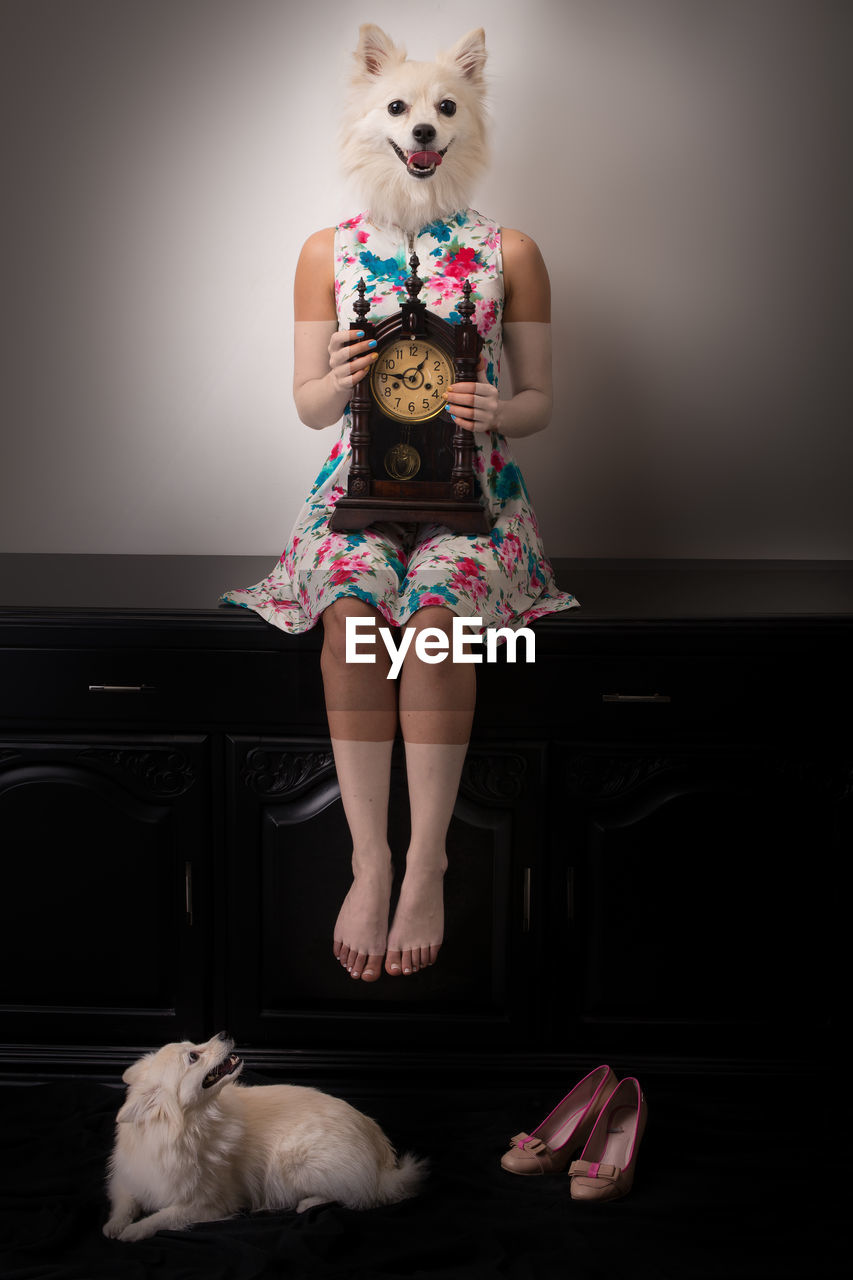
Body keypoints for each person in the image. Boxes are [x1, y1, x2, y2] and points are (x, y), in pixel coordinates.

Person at [222, 27, 578, 984]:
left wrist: (502, 407)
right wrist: (334, 381)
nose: (422, 124)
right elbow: (306, 409)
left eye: (442, 109)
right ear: (369, 118)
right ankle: (367, 859)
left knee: (433, 621)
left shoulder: (513, 251)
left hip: (479, 496)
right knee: (351, 619)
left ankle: (428, 863)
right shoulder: (322, 253)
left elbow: (540, 402)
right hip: (353, 496)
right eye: (401, 109)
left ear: (465, 121)